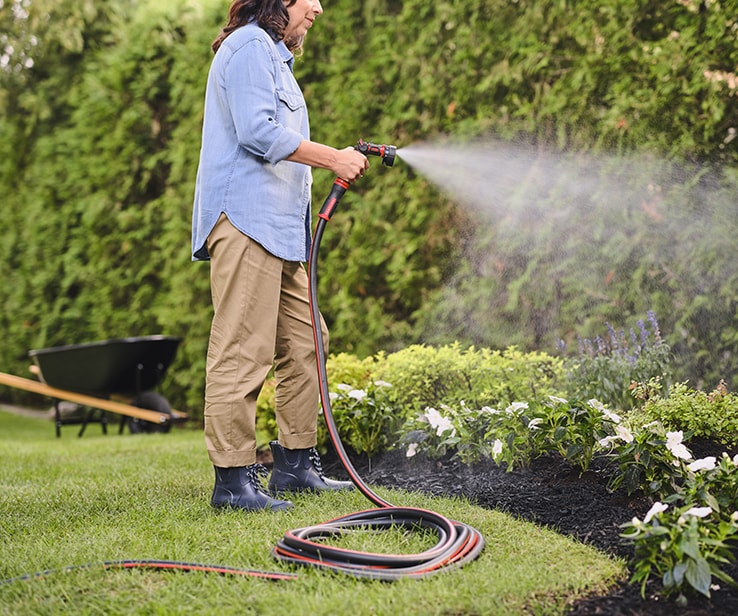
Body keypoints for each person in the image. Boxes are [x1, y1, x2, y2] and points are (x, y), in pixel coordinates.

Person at [191, 0, 368, 512]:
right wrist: (334, 157)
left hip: (281, 230)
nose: (317, 6)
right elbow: (257, 132)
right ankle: (233, 482)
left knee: (308, 338)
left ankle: (294, 466)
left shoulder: (273, 55)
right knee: (243, 349)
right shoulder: (248, 44)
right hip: (246, 221)